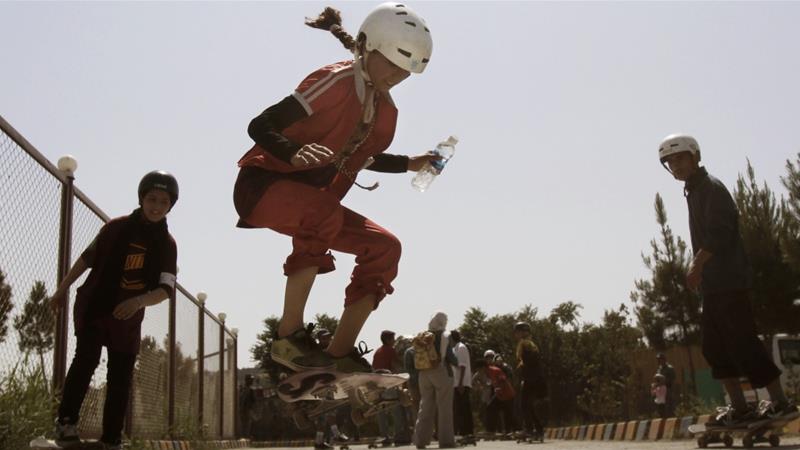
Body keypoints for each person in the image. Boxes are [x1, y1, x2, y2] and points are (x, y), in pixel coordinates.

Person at [233, 2, 439, 374]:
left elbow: (361, 158)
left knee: (385, 248)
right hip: (262, 186)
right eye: (390, 63)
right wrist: (293, 153)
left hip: (314, 204)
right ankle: (288, 338)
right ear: (365, 48)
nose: (396, 75)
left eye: (406, 70)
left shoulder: (384, 113)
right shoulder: (336, 82)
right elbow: (261, 124)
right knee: (322, 212)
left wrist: (410, 163)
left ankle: (337, 356)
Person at [658, 134, 797, 425]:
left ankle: (781, 403)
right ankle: (740, 407)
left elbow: (719, 233)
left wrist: (696, 264)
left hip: (730, 282)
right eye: (670, 162)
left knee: (744, 342)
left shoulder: (711, 188)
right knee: (715, 348)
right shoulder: (694, 191)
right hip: (714, 286)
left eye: (680, 158)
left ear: (695, 156)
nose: (676, 165)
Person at [49, 171, 179, 449]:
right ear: (142, 198)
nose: (156, 206)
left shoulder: (167, 245)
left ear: (171, 206)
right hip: (95, 305)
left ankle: (111, 438)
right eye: (152, 199)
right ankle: (66, 423)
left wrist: (137, 302)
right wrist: (62, 289)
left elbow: (165, 290)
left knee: (120, 376)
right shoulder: (116, 228)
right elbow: (86, 259)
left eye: (163, 202)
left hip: (128, 317)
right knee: (86, 360)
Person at [413, 312, 458, 449]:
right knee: (444, 407)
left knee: (425, 406)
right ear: (442, 321)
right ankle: (446, 441)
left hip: (423, 373)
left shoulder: (423, 335)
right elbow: (451, 357)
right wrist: (457, 362)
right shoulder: (445, 336)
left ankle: (420, 440)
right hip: (440, 371)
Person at [373, 330, 411, 444]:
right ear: (388, 340)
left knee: (381, 410)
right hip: (388, 382)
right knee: (395, 408)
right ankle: (399, 436)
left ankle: (385, 436)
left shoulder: (378, 351)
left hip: (377, 384)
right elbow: (396, 364)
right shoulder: (390, 350)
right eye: (393, 339)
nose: (394, 341)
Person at [513, 322, 546, 439]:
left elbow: (528, 363)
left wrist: (522, 370)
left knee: (524, 404)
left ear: (521, 332)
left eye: (516, 332)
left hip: (531, 379)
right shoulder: (531, 344)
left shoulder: (524, 344)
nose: (515, 335)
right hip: (536, 378)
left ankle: (529, 430)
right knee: (529, 405)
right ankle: (539, 430)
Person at [449, 330, 474, 439]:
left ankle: (466, 432)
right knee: (459, 409)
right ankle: (464, 431)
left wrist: (460, 384)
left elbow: (462, 366)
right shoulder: (455, 348)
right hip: (457, 383)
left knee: (463, 409)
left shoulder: (461, 347)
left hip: (462, 383)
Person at [655, 352, 676, 416]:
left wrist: (664, 381)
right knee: (661, 409)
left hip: (668, 390)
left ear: (664, 359)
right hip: (660, 392)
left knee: (669, 409)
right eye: (658, 359)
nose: (659, 361)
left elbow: (672, 379)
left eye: (661, 359)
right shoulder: (659, 369)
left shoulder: (669, 368)